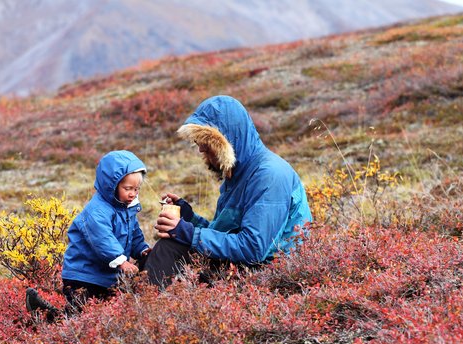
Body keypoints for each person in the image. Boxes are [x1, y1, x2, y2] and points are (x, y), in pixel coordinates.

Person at [144, 95, 312, 286]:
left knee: (171, 248)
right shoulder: (238, 175)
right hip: (243, 267)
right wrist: (189, 218)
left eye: (205, 144)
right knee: (167, 249)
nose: (200, 150)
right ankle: (146, 301)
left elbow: (253, 248)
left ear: (224, 142)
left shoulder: (269, 176)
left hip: (269, 276)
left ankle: (146, 304)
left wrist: (189, 233)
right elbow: (225, 235)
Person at [26, 150, 151, 322]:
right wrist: (121, 261)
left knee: (99, 318)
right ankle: (41, 314)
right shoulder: (97, 211)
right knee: (79, 318)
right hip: (83, 275)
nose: (133, 194)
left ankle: (48, 316)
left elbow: (134, 233)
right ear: (111, 186)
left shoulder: (126, 208)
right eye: (127, 188)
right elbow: (103, 239)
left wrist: (142, 249)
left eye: (136, 189)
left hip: (105, 275)